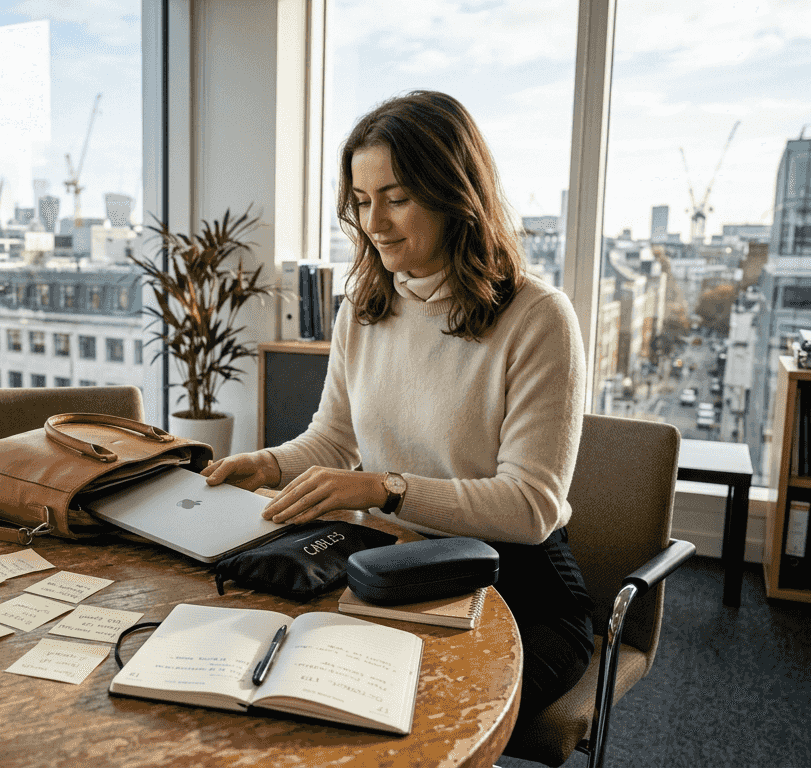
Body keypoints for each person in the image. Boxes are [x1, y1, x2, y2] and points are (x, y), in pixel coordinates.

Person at [201, 90, 593, 725]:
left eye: (398, 198)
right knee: (291, 689)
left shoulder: (538, 317)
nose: (373, 223)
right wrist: (267, 465)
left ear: (456, 195)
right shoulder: (364, 305)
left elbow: (530, 507)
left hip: (517, 582)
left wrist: (385, 488)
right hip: (391, 563)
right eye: (361, 201)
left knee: (412, 717)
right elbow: (332, 440)